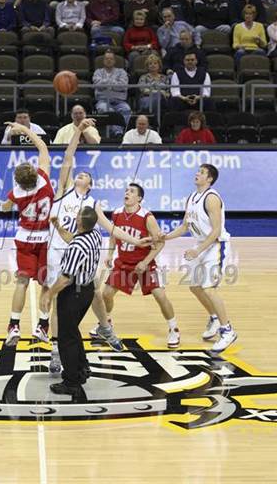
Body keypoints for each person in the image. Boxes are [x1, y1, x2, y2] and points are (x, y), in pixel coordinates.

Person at [34, 119, 153, 373]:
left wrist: (135, 240)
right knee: (58, 306)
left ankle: (106, 328)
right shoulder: (62, 191)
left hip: (82, 254)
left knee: (95, 293)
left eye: (86, 175)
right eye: (80, 173)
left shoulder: (92, 203)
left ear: (89, 185)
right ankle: (55, 353)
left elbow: (112, 229)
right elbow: (68, 156)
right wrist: (77, 130)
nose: (81, 174)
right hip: (58, 255)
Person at [89, 183, 180, 350]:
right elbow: (113, 236)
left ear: (139, 198)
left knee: (160, 295)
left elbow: (159, 244)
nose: (127, 193)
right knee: (106, 294)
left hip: (144, 263)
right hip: (123, 263)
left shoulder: (147, 217)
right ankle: (106, 324)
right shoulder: (117, 213)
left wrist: (145, 262)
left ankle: (174, 328)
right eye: (126, 191)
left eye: (131, 192)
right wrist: (109, 254)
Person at [159, 164, 237, 352]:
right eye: (198, 171)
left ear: (209, 179)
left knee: (209, 288)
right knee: (195, 287)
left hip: (215, 245)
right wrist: (166, 236)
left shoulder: (211, 198)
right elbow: (185, 226)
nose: (197, 174)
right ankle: (215, 318)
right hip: (201, 245)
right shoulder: (192, 198)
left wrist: (198, 250)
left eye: (202, 172)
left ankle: (227, 331)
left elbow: (216, 230)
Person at [0, 124, 54, 346]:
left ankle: (14, 325)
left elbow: (5, 208)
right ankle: (42, 326)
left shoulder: (17, 193)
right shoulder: (44, 179)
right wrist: (25, 129)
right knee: (46, 284)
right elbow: (42, 147)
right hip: (45, 239)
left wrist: (8, 202)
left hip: (24, 238)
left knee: (21, 282)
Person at [42, 206, 102, 395]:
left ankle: (71, 382)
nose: (75, 218)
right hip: (88, 290)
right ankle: (82, 368)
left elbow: (66, 278)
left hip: (73, 294)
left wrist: (49, 294)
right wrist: (59, 227)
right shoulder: (95, 235)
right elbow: (73, 238)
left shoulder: (77, 247)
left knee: (66, 338)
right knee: (73, 332)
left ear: (79, 222)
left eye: (77, 218)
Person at [93, 49, 131, 137]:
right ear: (103, 61)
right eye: (106, 59)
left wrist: (106, 84)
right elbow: (98, 85)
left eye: (111, 59)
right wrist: (114, 84)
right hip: (103, 100)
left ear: (114, 61)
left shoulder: (122, 72)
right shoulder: (98, 72)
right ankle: (115, 133)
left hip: (120, 101)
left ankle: (118, 133)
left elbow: (123, 86)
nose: (109, 60)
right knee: (106, 109)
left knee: (126, 109)